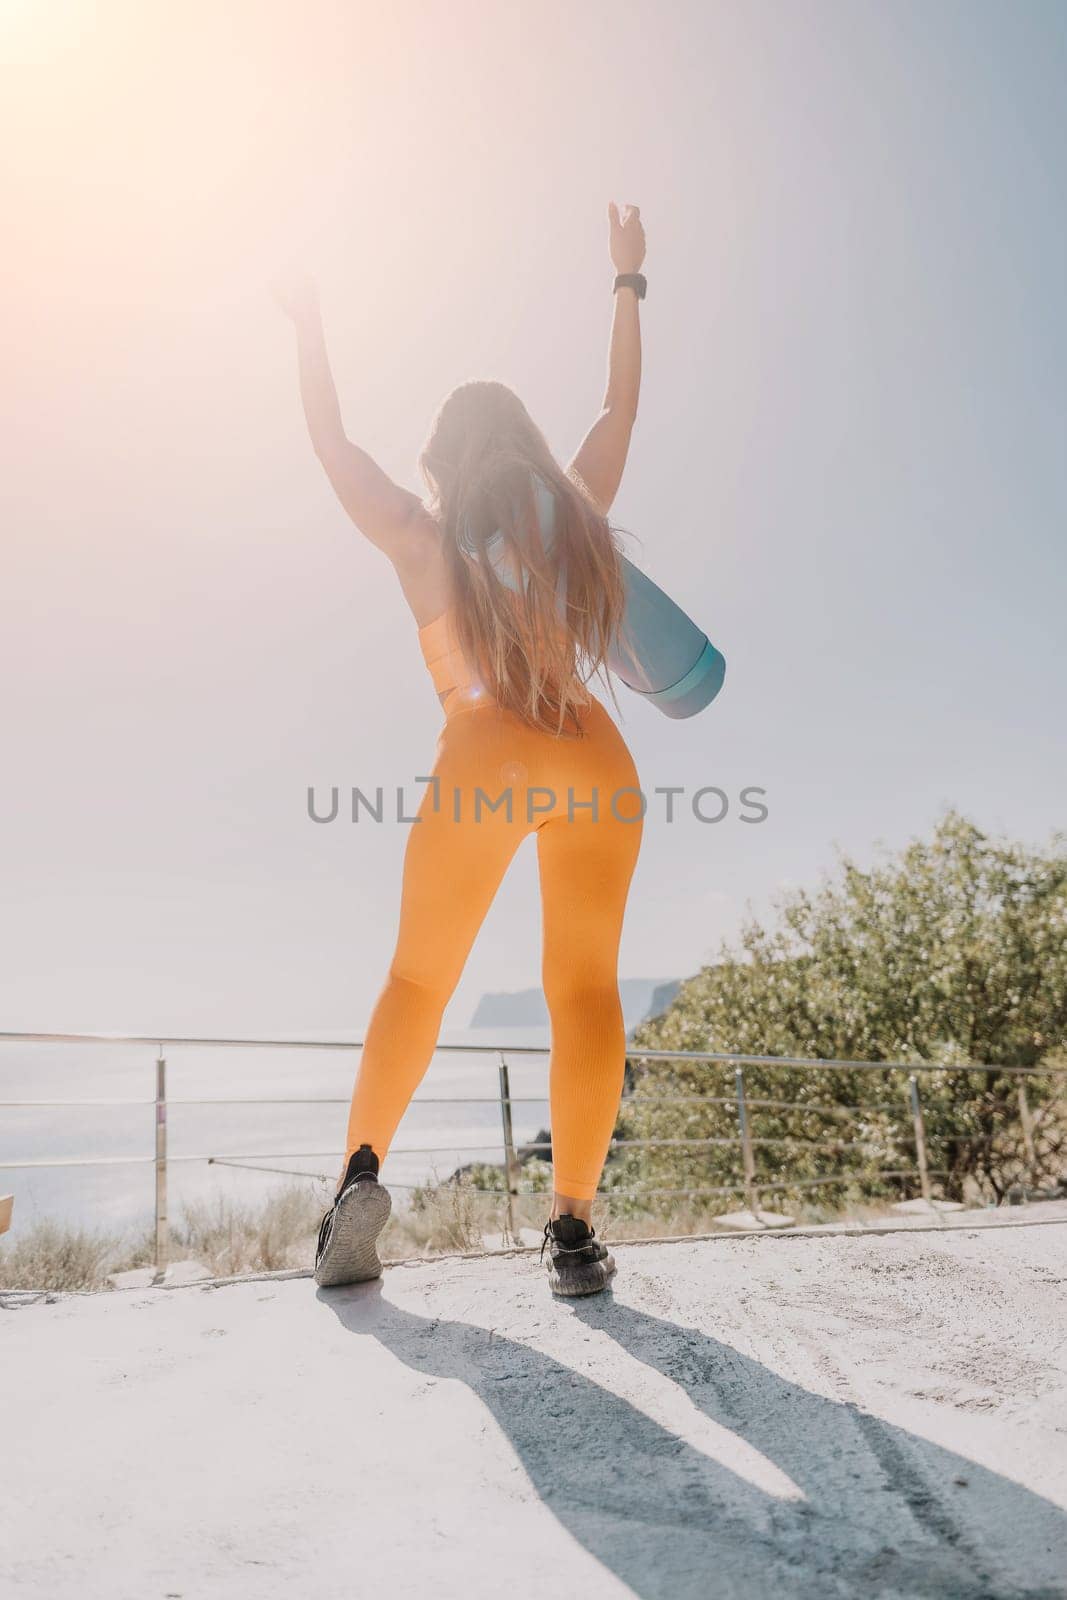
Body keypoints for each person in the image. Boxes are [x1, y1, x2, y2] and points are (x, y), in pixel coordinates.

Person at [276, 202, 647, 1297]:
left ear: (440, 461)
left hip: (485, 749)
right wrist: (627, 283)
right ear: (525, 450)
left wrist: (308, 326)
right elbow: (620, 408)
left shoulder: (419, 535)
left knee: (417, 977)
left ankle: (356, 1181)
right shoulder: (572, 512)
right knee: (582, 986)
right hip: (591, 752)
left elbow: (332, 446)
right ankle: (571, 1231)